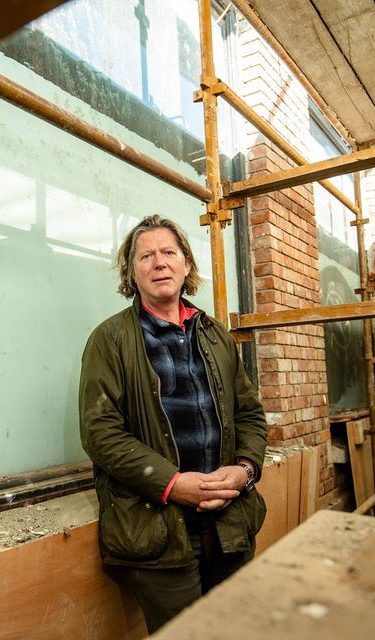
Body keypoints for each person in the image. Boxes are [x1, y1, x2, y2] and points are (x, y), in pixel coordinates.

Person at [78, 215, 268, 633]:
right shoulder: (110, 340)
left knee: (237, 629)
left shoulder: (216, 335)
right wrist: (172, 483)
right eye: (145, 256)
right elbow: (100, 432)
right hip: (158, 529)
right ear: (132, 273)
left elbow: (250, 415)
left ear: (186, 264)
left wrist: (245, 470)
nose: (159, 262)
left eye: (168, 252)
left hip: (229, 521)